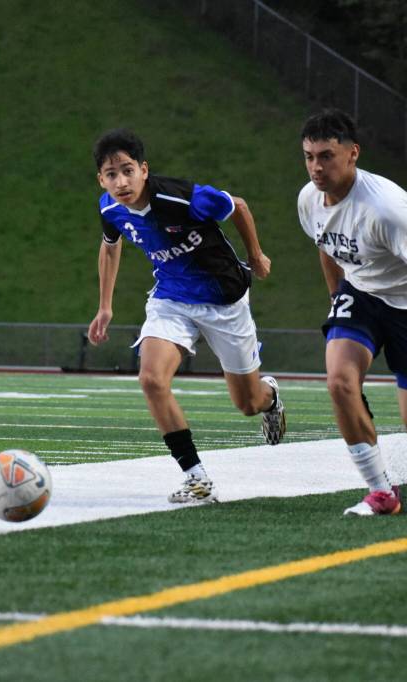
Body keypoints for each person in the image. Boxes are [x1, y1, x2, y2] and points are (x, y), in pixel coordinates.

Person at [87, 128, 286, 505]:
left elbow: (238, 206)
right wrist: (105, 306)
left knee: (247, 403)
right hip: (170, 299)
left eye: (128, 170)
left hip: (224, 300)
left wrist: (256, 255)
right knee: (150, 379)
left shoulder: (179, 197)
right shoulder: (109, 208)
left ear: (144, 170)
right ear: (101, 179)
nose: (121, 181)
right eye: (111, 174)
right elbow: (110, 246)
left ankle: (270, 397)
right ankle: (196, 477)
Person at [296, 108, 407, 516]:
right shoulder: (309, 199)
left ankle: (399, 406)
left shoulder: (384, 210)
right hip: (360, 293)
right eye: (309, 156)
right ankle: (381, 490)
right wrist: (337, 299)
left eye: (326, 155)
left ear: (353, 153)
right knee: (339, 383)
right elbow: (326, 245)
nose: (316, 167)